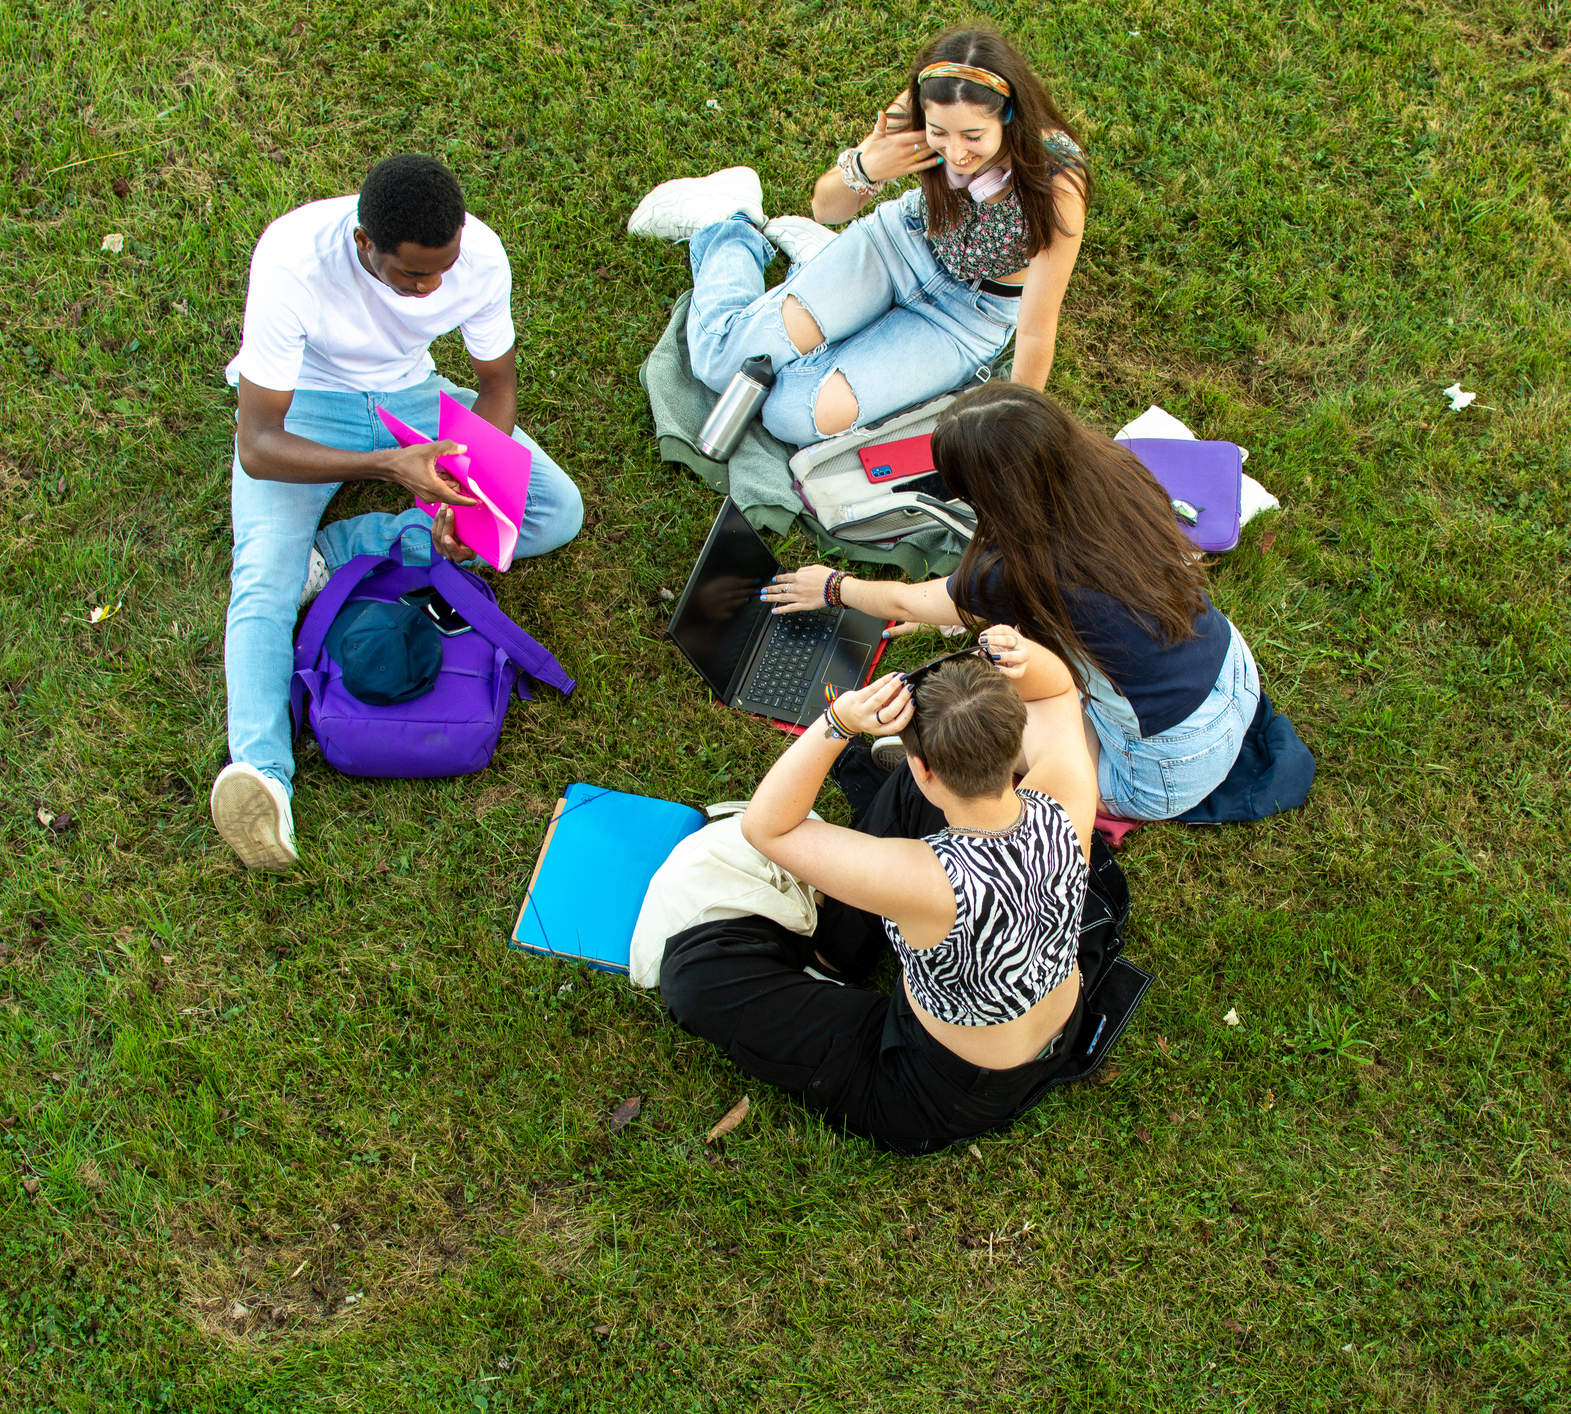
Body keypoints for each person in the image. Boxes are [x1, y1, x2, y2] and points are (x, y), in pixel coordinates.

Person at [210, 154, 585, 871]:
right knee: (264, 579)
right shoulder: (293, 258)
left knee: (552, 512)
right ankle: (263, 775)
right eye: (413, 275)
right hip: (306, 412)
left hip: (410, 397)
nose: (431, 287)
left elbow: (496, 387)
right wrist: (386, 466)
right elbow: (259, 445)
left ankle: (368, 542)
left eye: (442, 269)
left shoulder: (477, 256)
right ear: (364, 246)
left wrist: (469, 483)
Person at [656, 629, 1113, 1153]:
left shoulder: (924, 878)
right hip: (1055, 1029)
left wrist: (837, 723)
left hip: (943, 1086)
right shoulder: (1067, 799)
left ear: (924, 768)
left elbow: (769, 828)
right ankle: (835, 956)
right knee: (902, 799)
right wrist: (1026, 656)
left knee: (694, 976)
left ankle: (829, 956)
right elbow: (1056, 692)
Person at [762, 382, 1265, 821]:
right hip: (1234, 672)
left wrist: (833, 587)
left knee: (984, 718)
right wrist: (960, 613)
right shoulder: (1119, 473)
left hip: (1168, 767)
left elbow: (910, 601)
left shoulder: (1010, 571)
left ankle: (937, 758)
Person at [624, 26, 1090, 445]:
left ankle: (817, 273)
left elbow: (1034, 327)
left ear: (1008, 116)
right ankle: (729, 219)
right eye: (939, 134)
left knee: (789, 414)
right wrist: (868, 167)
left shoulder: (1056, 181)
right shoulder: (918, 109)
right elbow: (826, 207)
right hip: (895, 247)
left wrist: (1019, 433)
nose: (955, 152)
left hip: (966, 317)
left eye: (973, 135)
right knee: (720, 363)